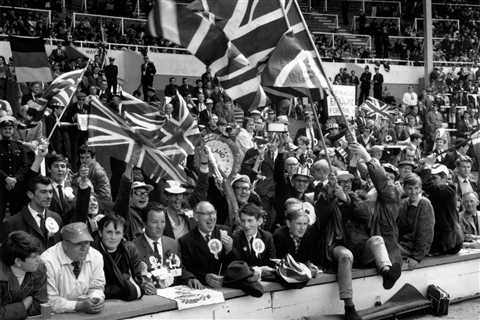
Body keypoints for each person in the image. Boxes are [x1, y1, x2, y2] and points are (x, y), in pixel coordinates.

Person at [40, 222, 105, 314]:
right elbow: (50, 300)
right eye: (78, 244)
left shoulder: (96, 256)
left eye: (87, 243)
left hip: (86, 314)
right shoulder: (47, 261)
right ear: (65, 245)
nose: (84, 248)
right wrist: (78, 306)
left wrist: (95, 299)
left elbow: (97, 287)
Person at [133, 203, 197, 289]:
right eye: (154, 222)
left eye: (163, 222)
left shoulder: (173, 243)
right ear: (144, 223)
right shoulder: (133, 247)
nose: (159, 227)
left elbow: (179, 269)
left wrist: (190, 278)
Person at [93, 214, 155, 301]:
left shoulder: (129, 249)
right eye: (109, 232)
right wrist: (125, 290)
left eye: (117, 233)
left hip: (129, 299)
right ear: (100, 233)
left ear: (123, 235)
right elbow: (94, 287)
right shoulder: (92, 253)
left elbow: (138, 278)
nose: (113, 237)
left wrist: (146, 285)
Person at [179, 201, 239, 288]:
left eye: (213, 213)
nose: (211, 217)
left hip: (226, 286)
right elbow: (188, 270)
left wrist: (229, 250)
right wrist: (205, 277)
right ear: (196, 216)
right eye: (206, 214)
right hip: (202, 288)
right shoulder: (186, 241)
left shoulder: (226, 232)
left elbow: (237, 262)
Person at [1, 175, 63, 251]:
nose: (49, 196)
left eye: (50, 192)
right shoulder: (12, 223)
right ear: (30, 194)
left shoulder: (56, 218)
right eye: (43, 192)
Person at [0, 231, 47, 319]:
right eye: (34, 257)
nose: (39, 260)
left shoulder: (39, 268)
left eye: (38, 255)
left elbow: (41, 305)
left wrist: (10, 311)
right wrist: (24, 306)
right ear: (18, 262)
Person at [419, 163, 464, 255]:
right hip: (437, 240)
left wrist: (427, 166)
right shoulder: (434, 191)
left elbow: (428, 185)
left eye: (434, 178)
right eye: (431, 178)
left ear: (444, 178)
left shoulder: (449, 190)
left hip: (450, 243)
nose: (432, 181)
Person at [398, 173, 435, 269]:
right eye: (410, 188)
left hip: (414, 249)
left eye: (416, 188)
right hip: (403, 245)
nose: (413, 192)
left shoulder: (424, 204)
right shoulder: (404, 203)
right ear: (404, 188)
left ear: (420, 189)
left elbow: (425, 234)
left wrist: (416, 257)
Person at [0, 115, 30, 219]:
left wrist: (15, 179)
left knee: (17, 215)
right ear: (1, 130)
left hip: (17, 186)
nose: (7, 131)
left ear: (13, 130)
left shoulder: (19, 146)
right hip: (1, 185)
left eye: (10, 128)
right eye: (5, 129)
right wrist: (6, 178)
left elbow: (25, 165)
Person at [114, 162, 153, 240]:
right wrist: (129, 166)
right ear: (130, 197)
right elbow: (123, 194)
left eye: (145, 193)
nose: (143, 197)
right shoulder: (125, 212)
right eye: (138, 193)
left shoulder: (149, 213)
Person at [232, 203, 276, 268]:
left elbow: (272, 264)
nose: (246, 225)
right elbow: (237, 266)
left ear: (259, 221)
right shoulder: (236, 238)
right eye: (243, 221)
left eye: (250, 221)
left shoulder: (267, 237)